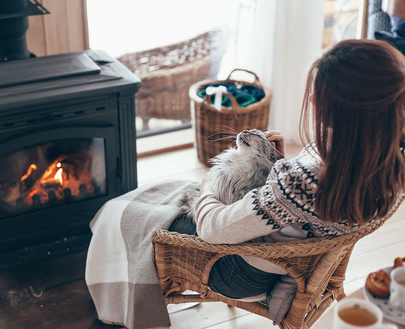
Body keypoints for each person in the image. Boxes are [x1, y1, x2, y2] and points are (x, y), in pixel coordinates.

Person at [169, 38, 405, 300]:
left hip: (242, 274)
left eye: (322, 95)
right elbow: (305, 209)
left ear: (347, 110)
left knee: (159, 217)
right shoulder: (390, 163)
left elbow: (211, 230)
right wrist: (282, 164)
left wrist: (207, 188)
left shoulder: (301, 183)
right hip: (298, 266)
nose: (313, 99)